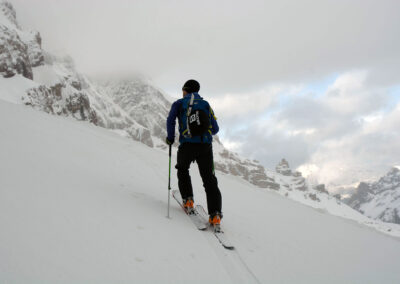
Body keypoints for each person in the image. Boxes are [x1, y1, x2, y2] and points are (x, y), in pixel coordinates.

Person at [166, 79, 222, 227]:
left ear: (185, 89)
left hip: (187, 145)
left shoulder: (179, 103)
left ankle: (188, 199)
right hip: (205, 146)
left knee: (183, 169)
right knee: (209, 179)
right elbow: (215, 129)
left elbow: (170, 120)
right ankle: (215, 215)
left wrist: (170, 138)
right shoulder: (205, 105)